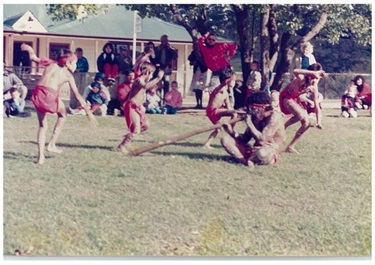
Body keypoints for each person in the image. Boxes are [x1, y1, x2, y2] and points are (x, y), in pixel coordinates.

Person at [21, 43, 97, 165]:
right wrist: (89, 113)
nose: (76, 65)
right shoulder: (67, 74)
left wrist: (30, 49)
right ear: (68, 63)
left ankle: (40, 158)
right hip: (49, 95)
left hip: (37, 93)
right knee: (63, 115)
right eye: (75, 62)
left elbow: (33, 58)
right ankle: (51, 144)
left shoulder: (51, 63)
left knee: (42, 126)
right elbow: (77, 96)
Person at [221, 91, 285, 168]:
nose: (251, 111)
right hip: (254, 151)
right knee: (226, 140)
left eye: (253, 108)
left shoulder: (275, 117)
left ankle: (251, 159)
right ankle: (244, 161)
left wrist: (249, 123)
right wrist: (231, 132)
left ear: (263, 107)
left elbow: (262, 140)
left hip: (269, 151)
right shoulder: (256, 117)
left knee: (262, 153)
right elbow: (245, 138)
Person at [117, 62, 165, 154]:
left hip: (137, 107)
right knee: (136, 129)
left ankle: (128, 137)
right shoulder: (139, 80)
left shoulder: (142, 80)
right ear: (147, 72)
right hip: (131, 106)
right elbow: (145, 86)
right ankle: (123, 145)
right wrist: (158, 78)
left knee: (146, 125)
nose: (151, 76)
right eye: (151, 73)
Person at [279, 63, 325, 154]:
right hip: (286, 98)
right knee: (301, 114)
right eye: (315, 77)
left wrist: (318, 122)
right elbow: (295, 71)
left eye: (318, 78)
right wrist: (312, 72)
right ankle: (282, 129)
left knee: (306, 123)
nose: (316, 80)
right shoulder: (301, 78)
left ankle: (290, 146)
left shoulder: (313, 88)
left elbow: (317, 106)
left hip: (295, 100)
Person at [203, 78, 237, 149]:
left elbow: (229, 108)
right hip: (211, 110)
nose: (234, 82)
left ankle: (207, 144)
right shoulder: (219, 89)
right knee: (234, 114)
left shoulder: (226, 94)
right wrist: (225, 82)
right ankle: (231, 131)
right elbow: (220, 86)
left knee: (218, 129)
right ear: (228, 81)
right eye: (233, 80)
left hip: (217, 111)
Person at [154, 35, 178, 101]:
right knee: (158, 86)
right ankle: (158, 100)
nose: (164, 42)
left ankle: (166, 101)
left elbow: (175, 57)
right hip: (159, 69)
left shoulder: (170, 49)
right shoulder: (157, 48)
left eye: (165, 40)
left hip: (167, 69)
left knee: (166, 84)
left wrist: (170, 48)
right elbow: (154, 58)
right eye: (163, 40)